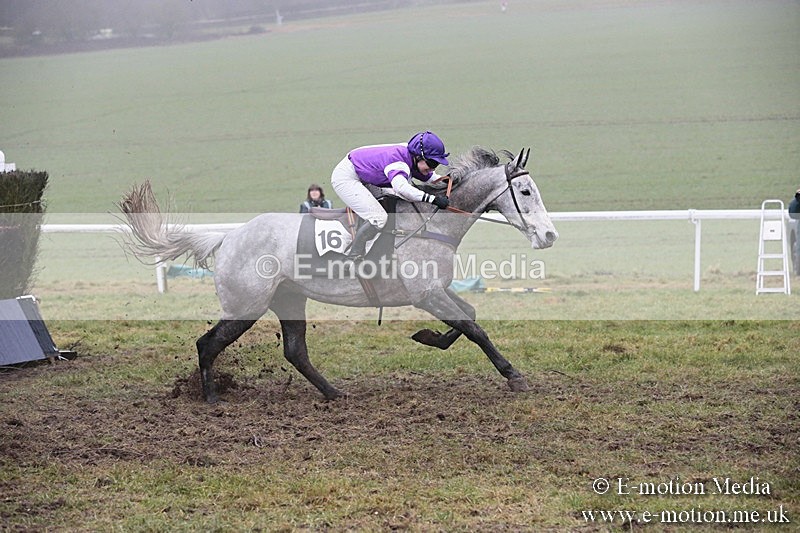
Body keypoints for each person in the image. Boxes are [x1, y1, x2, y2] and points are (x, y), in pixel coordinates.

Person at [331, 131, 451, 261]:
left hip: (363, 173)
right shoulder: (399, 163)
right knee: (378, 218)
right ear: (418, 157)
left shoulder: (411, 156)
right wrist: (433, 200)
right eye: (432, 164)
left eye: (436, 165)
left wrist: (447, 180)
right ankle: (352, 258)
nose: (433, 169)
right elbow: (402, 189)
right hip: (347, 177)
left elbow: (429, 177)